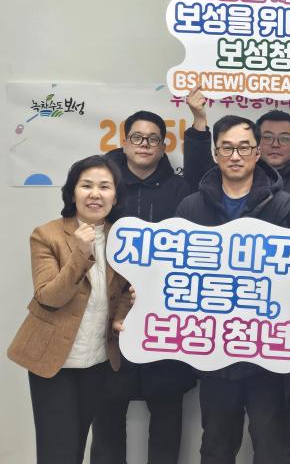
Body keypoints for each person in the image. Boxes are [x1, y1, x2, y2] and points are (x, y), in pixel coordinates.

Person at [175, 115, 290, 464]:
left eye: (244, 148)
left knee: (273, 445)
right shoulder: (191, 208)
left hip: (268, 351)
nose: (235, 156)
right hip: (214, 350)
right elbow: (175, 273)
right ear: (215, 153)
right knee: (216, 444)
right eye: (227, 148)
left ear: (257, 152)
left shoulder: (283, 204)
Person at [92, 92, 209, 464]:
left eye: (153, 139)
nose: (144, 145)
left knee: (167, 413)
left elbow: (202, 178)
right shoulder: (103, 188)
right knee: (107, 414)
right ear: (125, 142)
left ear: (164, 146)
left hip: (166, 318)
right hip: (111, 318)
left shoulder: (181, 190)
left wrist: (199, 122)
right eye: (137, 138)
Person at [8, 155, 132, 464]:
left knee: (81, 444)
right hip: (53, 362)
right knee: (58, 452)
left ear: (116, 196)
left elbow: (122, 293)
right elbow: (49, 297)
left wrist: (121, 314)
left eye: (104, 186)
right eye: (86, 185)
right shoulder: (46, 235)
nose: (95, 194)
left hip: (99, 360)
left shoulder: (124, 239)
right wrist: (80, 253)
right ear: (72, 193)